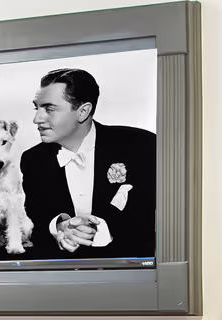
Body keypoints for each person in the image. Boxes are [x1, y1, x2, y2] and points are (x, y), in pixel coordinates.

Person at [19, 67, 156, 259]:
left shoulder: (141, 146)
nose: (37, 119)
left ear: (83, 111)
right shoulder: (33, 160)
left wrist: (96, 230)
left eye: (49, 109)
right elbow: (37, 217)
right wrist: (60, 226)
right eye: (37, 108)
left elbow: (153, 218)